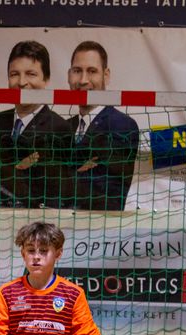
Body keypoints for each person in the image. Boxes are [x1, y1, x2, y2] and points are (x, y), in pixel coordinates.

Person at [0, 41, 69, 209]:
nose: (22, 82)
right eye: (14, 74)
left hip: (34, 226)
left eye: (31, 74)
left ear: (46, 79)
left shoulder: (58, 128)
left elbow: (54, 195)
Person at [58, 41, 140, 211]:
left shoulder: (122, 125)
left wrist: (62, 177)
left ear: (106, 75)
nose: (83, 80)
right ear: (68, 75)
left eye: (92, 71)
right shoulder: (63, 127)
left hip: (99, 230)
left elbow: (103, 189)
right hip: (59, 227)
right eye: (77, 71)